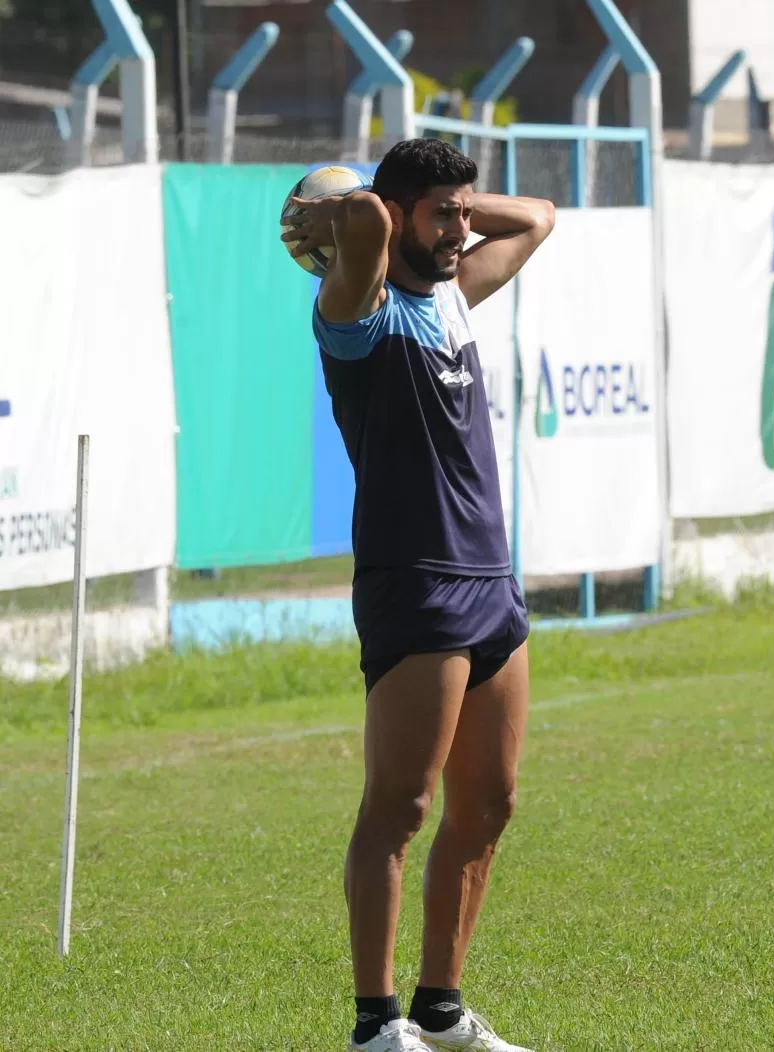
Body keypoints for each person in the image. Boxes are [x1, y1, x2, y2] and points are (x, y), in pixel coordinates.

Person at [281, 139, 556, 1052]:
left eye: (464, 211)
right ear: (397, 217)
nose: (462, 228)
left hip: (491, 584)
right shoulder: (355, 315)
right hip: (416, 583)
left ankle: (441, 1010)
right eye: (444, 213)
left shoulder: (453, 296)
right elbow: (362, 223)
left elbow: (540, 219)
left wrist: (452, 210)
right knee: (399, 807)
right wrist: (352, 213)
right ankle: (375, 1026)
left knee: (491, 805)